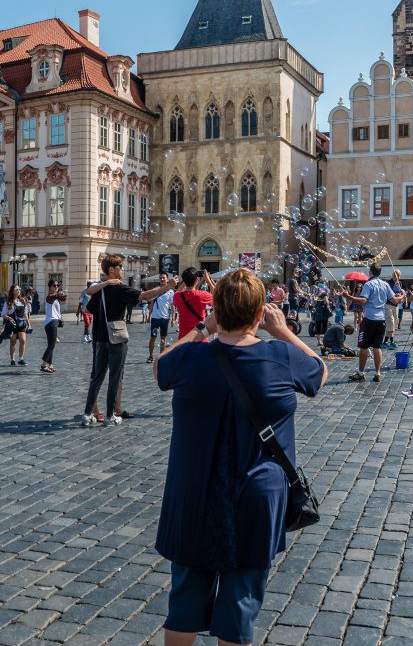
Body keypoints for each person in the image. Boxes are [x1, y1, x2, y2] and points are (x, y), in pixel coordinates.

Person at [155, 267, 325, 646]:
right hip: (256, 494)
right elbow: (319, 371)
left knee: (184, 599)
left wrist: (203, 328)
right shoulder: (280, 356)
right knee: (240, 602)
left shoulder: (191, 359)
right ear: (259, 312)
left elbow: (159, 367)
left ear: (217, 310)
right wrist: (282, 331)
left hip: (193, 490)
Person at [80, 255, 174, 426]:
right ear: (111, 270)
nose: (123, 270)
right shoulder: (120, 288)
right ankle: (109, 416)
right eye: (120, 267)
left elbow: (87, 309)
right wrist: (167, 287)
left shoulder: (100, 289)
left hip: (100, 339)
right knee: (114, 377)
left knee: (97, 378)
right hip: (116, 339)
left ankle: (87, 414)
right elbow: (145, 295)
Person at [346, 263, 404, 382]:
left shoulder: (368, 284)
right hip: (381, 320)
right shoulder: (385, 284)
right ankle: (377, 373)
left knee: (363, 347)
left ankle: (361, 373)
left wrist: (349, 296)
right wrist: (402, 295)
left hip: (369, 319)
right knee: (377, 347)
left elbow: (363, 300)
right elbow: (394, 300)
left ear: (370, 272)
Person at [172, 269, 213, 341]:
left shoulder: (177, 296)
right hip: (200, 336)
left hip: (184, 337)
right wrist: (208, 280)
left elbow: (177, 291)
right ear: (196, 280)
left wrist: (185, 281)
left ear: (184, 280)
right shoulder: (202, 295)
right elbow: (218, 296)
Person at [40, 279, 68, 374]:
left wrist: (62, 297)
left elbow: (62, 299)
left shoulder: (55, 297)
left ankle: (50, 365)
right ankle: (44, 365)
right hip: (51, 323)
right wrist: (58, 295)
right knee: (52, 345)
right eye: (54, 285)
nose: (56, 287)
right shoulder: (49, 297)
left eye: (57, 285)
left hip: (53, 322)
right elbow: (51, 298)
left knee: (51, 345)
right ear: (50, 287)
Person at [145, 273, 174, 362]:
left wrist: (173, 318)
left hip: (165, 318)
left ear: (167, 279)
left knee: (163, 338)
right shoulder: (155, 290)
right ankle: (150, 356)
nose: (162, 279)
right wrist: (149, 316)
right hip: (155, 318)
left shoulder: (170, 291)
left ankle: (161, 356)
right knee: (153, 337)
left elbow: (172, 305)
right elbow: (152, 304)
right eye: (160, 278)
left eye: (163, 278)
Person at [0, 286, 30, 366]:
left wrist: (29, 324)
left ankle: (21, 358)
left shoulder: (22, 301)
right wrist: (9, 318)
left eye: (19, 289)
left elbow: (25, 314)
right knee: (13, 342)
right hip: (13, 324)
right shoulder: (8, 302)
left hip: (22, 323)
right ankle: (12, 359)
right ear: (12, 291)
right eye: (16, 289)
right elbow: (3, 314)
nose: (19, 290)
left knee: (23, 340)